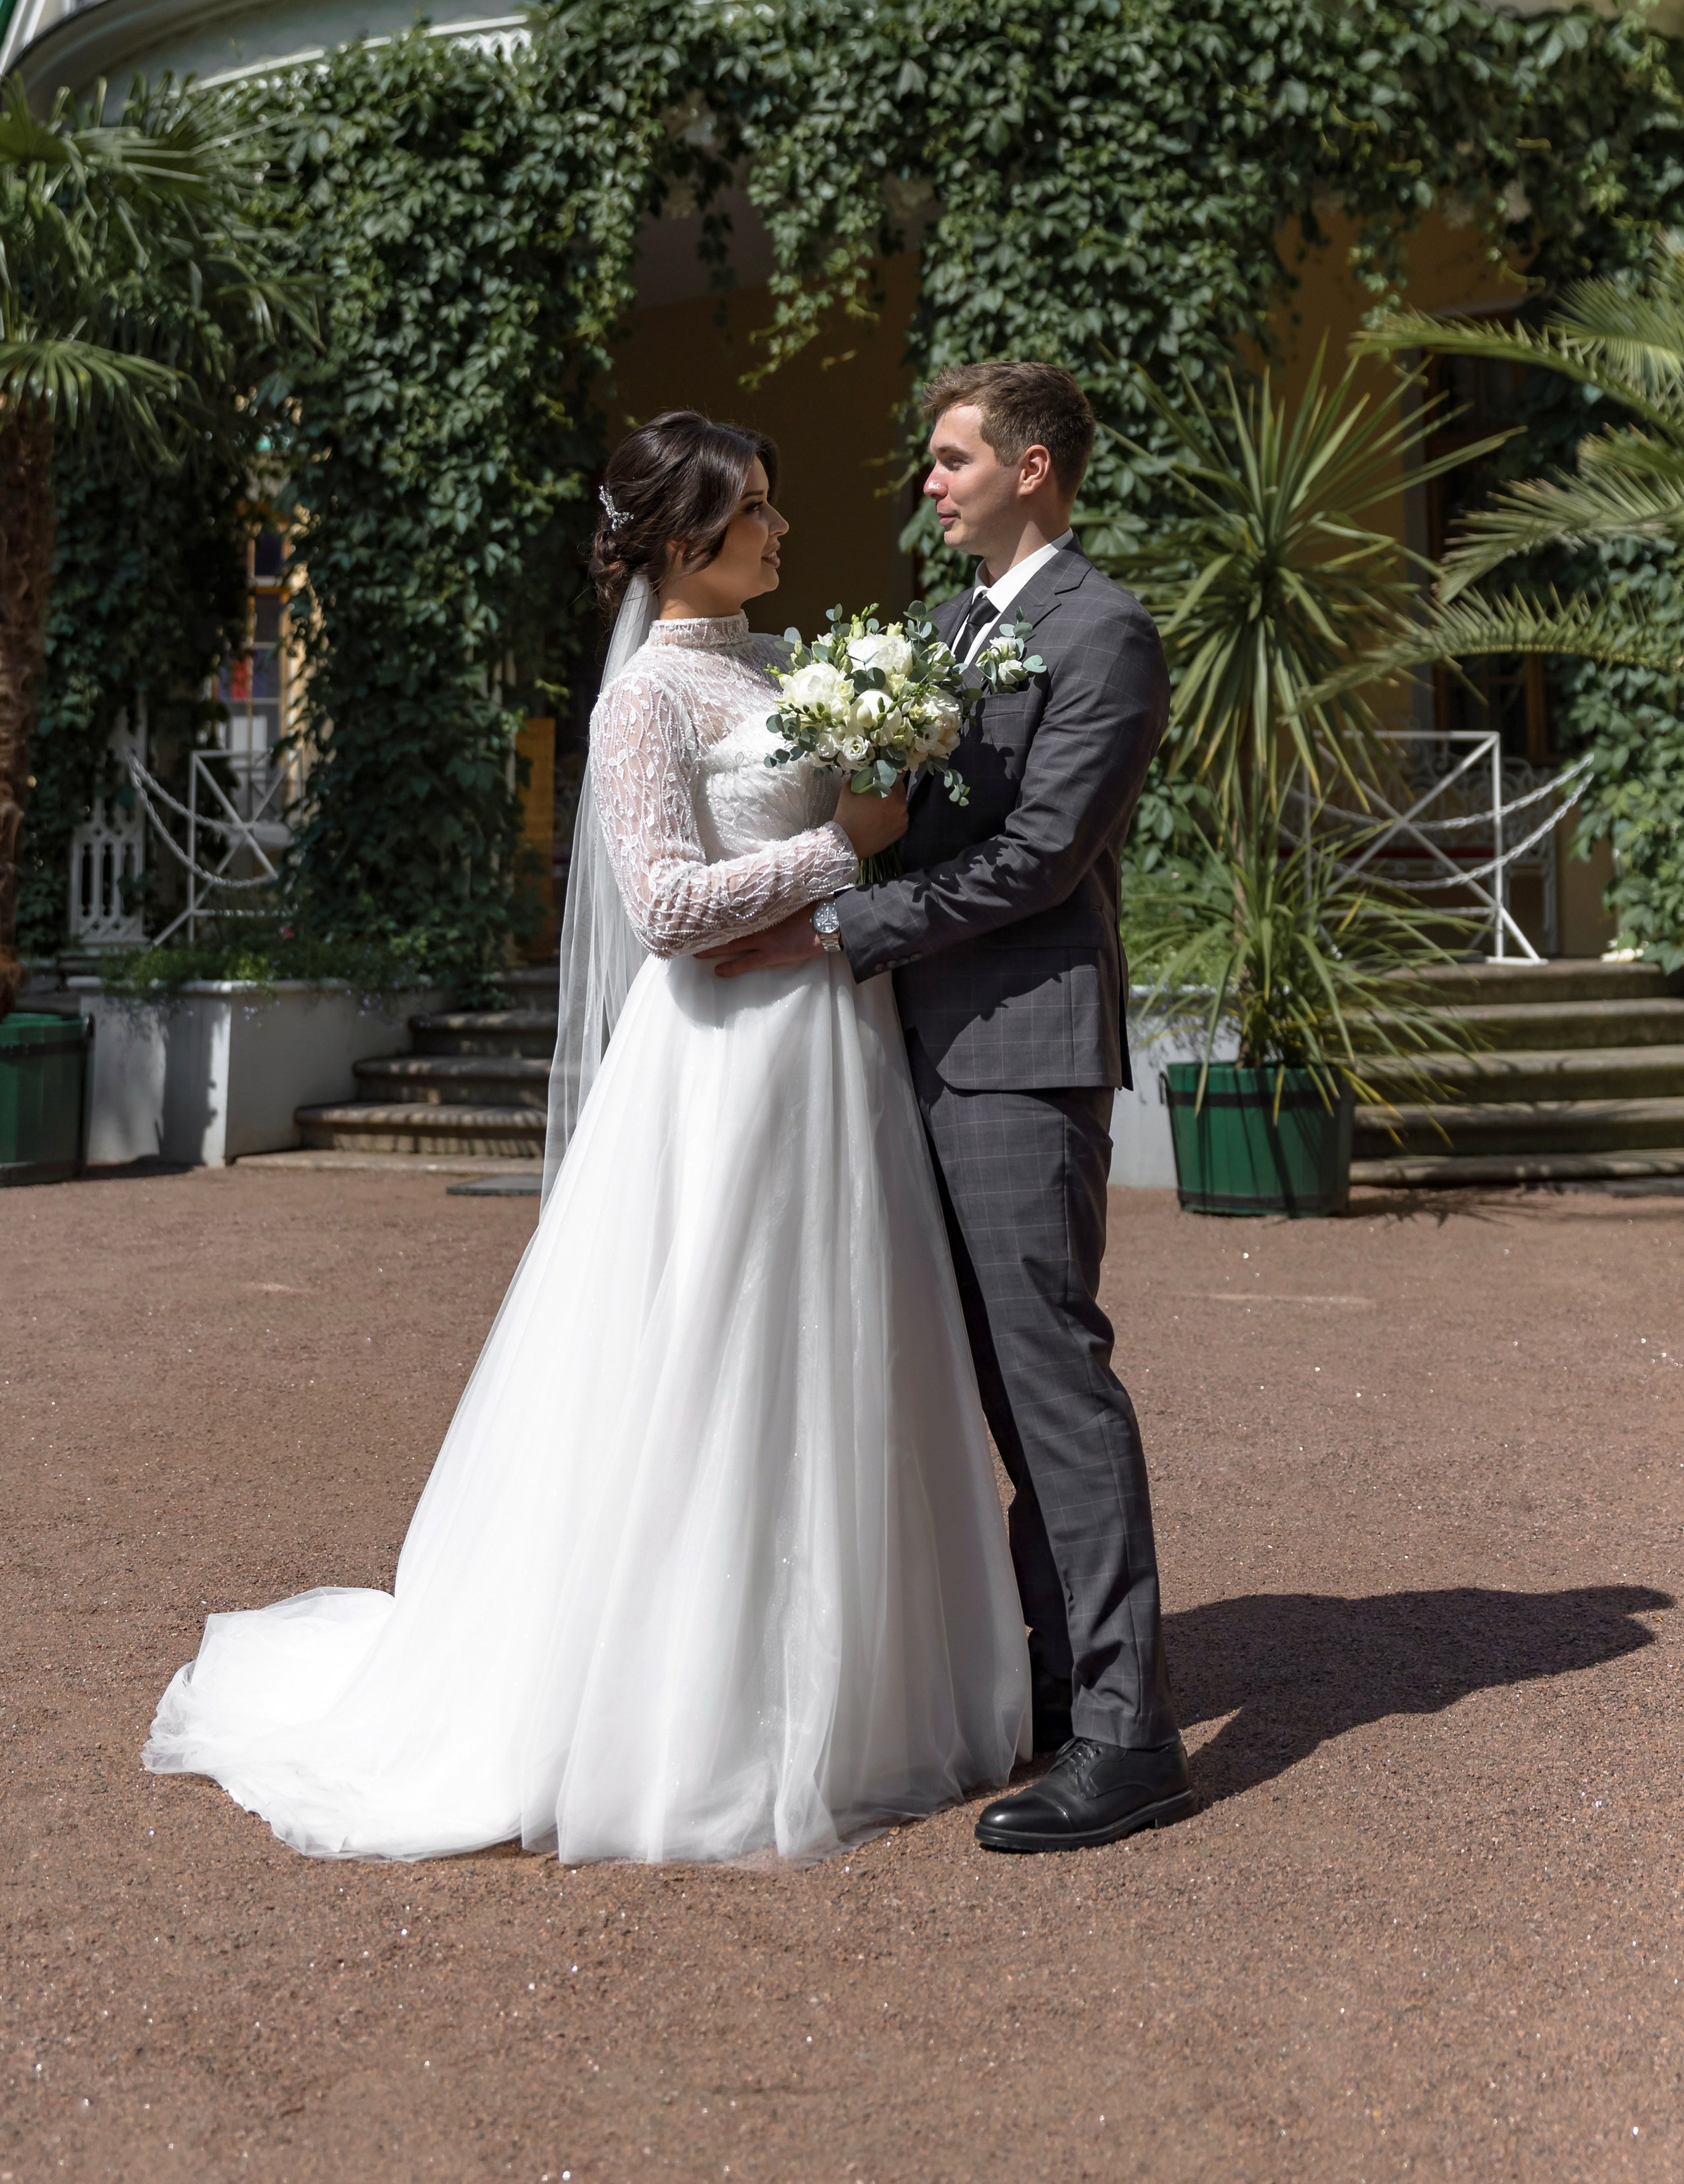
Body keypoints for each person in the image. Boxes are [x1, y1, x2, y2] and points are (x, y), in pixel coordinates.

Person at [144, 411, 1029, 1865]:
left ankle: (861, 1691)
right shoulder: (642, 705)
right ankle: (695, 1714)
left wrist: (859, 855)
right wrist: (841, 849)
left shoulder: (778, 667)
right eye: (754, 510)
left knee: (840, 1350)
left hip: (832, 1055)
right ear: (684, 539)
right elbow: (666, 908)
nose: (780, 530)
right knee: (713, 1358)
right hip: (720, 1081)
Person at [707, 362, 1194, 1854]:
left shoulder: (1099, 630)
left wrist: (851, 927)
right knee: (978, 1385)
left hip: (1015, 1048)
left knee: (1048, 1377)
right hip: (891, 1046)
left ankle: (1128, 1730)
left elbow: (1045, 856)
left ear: (1032, 468)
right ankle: (1050, 1681)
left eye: (951, 458)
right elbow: (886, 812)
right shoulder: (934, 633)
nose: (928, 481)